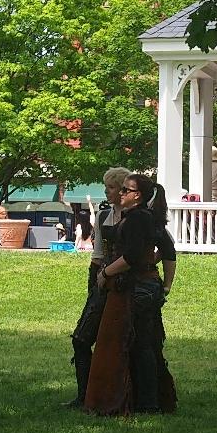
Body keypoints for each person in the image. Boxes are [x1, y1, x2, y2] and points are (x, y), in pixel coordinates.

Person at [84, 173, 176, 415]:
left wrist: (105, 273)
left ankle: (145, 402)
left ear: (138, 196)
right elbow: (166, 250)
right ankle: (147, 400)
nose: (121, 193)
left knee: (135, 344)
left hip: (137, 287)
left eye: (126, 190)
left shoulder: (138, 218)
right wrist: (163, 282)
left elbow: (132, 256)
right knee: (142, 344)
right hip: (144, 285)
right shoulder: (145, 217)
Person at [64, 167, 129, 408]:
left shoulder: (138, 217)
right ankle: (85, 395)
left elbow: (162, 246)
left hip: (126, 287)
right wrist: (94, 287)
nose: (106, 191)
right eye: (106, 187)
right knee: (81, 339)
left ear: (123, 190)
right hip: (102, 283)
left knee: (119, 345)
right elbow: (98, 254)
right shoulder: (103, 217)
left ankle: (120, 397)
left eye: (111, 187)